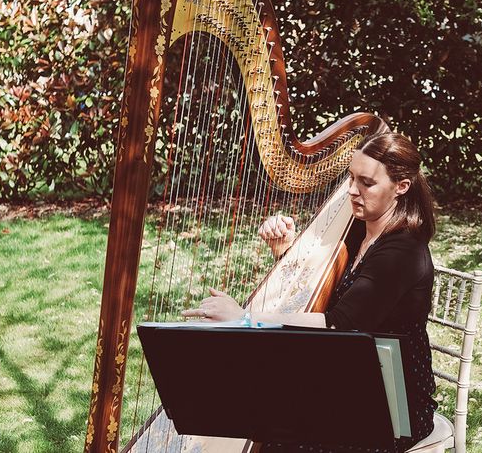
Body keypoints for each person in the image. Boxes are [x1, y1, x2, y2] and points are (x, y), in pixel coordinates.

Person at [183, 131, 437, 453]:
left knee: (276, 435)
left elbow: (337, 324)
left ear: (401, 187)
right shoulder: (357, 229)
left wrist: (245, 317)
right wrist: (284, 250)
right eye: (350, 177)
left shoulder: (402, 251)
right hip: (345, 378)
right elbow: (326, 292)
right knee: (244, 410)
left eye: (366, 183)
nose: (352, 191)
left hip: (390, 402)